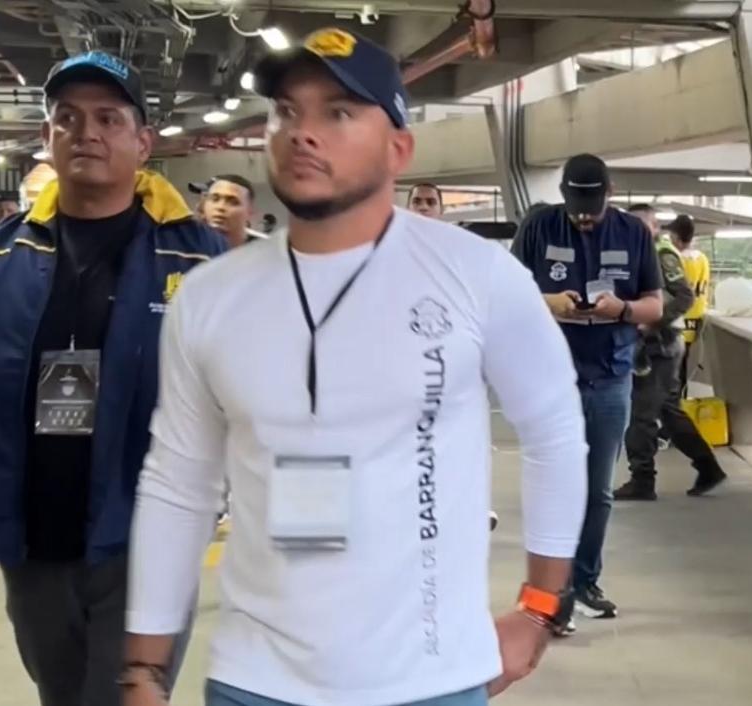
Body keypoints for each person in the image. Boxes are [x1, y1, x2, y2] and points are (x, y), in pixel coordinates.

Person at [120, 28, 585, 706]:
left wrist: (540, 606)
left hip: (432, 677)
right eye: (287, 111)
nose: (303, 132)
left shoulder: (475, 276)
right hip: (255, 679)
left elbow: (554, 431)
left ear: (399, 148)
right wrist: (144, 667)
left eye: (338, 112)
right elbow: (178, 482)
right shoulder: (212, 296)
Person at [0, 50, 222, 706]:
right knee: (61, 695)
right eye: (68, 118)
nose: (87, 132)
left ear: (143, 143)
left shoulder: (195, 256)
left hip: (146, 535)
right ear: (47, 138)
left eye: (109, 118)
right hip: (31, 538)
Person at [511, 154, 664, 625]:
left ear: (609, 193)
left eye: (591, 207)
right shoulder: (538, 228)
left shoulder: (633, 233)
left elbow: (655, 305)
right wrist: (550, 303)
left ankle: (582, 582)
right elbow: (506, 294)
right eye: (575, 206)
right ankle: (547, 593)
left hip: (609, 378)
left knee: (598, 490)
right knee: (551, 486)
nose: (582, 217)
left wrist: (620, 310)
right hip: (549, 377)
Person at [614, 208, 726, 501]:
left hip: (659, 344)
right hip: (653, 343)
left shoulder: (661, 254)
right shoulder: (636, 251)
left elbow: (685, 296)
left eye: (642, 225)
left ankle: (642, 479)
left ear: (654, 227)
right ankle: (708, 467)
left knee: (642, 414)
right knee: (668, 411)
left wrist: (651, 320)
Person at [670, 215, 709, 391]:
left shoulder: (676, 260)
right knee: (686, 370)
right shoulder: (702, 259)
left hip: (678, 321)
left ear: (677, 238)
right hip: (696, 321)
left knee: (673, 373)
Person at [200, 174, 263, 248]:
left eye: (233, 202)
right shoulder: (189, 246)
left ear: (250, 212)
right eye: (215, 199)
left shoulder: (265, 251)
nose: (220, 207)